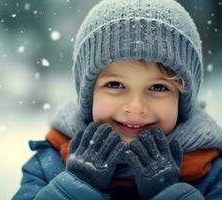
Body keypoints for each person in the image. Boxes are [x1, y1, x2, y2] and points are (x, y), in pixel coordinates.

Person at [12, 0, 222, 199]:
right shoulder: (51, 163)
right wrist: (76, 187)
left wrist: (169, 193)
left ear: (183, 100)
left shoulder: (212, 171)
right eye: (115, 85)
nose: (136, 107)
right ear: (88, 94)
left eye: (158, 87)